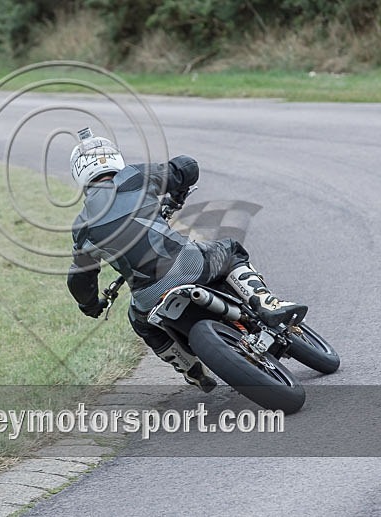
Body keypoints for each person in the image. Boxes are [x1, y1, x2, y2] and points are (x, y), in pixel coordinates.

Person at [66, 128, 308, 392]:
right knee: (230, 250)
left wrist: (90, 305)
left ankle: (190, 369)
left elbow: (79, 279)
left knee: (141, 323)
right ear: (114, 158)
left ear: (79, 174)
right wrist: (177, 192)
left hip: (148, 297)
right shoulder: (134, 177)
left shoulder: (83, 227)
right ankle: (266, 303)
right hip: (189, 265)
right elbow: (186, 166)